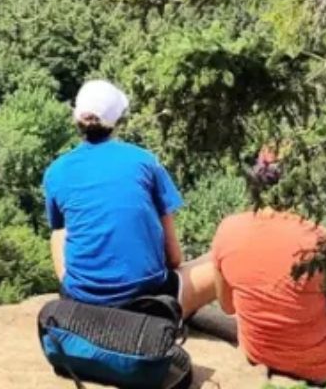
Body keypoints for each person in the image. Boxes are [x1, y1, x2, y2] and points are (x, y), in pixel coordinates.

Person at [43, 79, 215, 317]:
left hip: (81, 300)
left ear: (76, 118)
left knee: (59, 230)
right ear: (118, 121)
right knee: (223, 259)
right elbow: (174, 258)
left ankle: (73, 293)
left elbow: (59, 233)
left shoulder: (56, 171)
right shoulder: (144, 161)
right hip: (149, 303)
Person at [210, 148, 326, 386]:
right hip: (321, 365)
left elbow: (227, 306)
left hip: (258, 354)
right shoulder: (322, 241)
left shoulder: (228, 229)